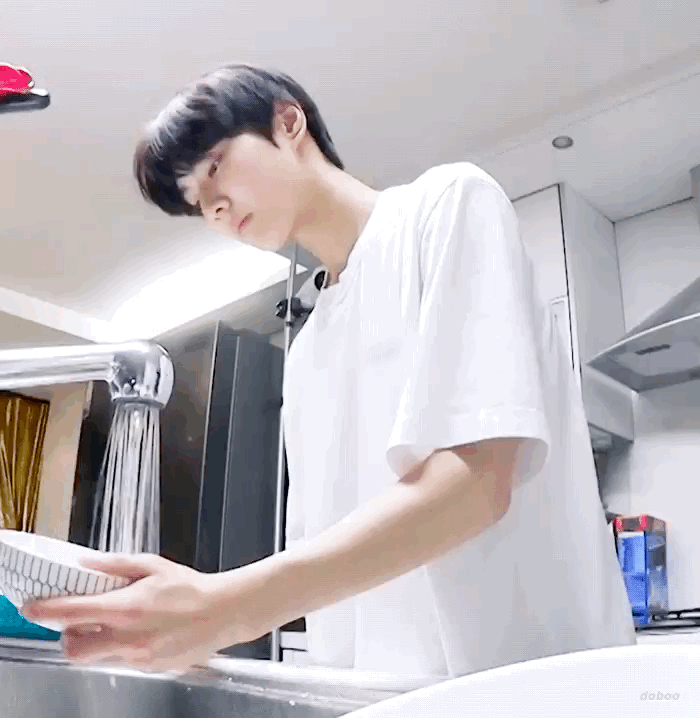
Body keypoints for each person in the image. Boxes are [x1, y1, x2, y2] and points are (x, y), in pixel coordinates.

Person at [23, 64, 637, 675]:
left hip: (538, 686)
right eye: (198, 204)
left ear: (289, 122)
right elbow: (327, 580)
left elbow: (475, 485)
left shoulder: (447, 207)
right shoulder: (308, 353)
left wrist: (222, 609)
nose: (214, 209)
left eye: (214, 168)